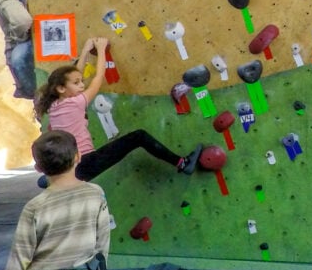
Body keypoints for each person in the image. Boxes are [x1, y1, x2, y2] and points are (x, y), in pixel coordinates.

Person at [0, 130, 122, 270]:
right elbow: (102, 236)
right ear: (78, 156)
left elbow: (20, 255)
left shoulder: (34, 207)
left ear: (38, 168)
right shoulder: (94, 193)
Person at [35, 36, 201, 185]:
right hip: (85, 164)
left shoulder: (54, 104)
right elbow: (98, 77)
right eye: (77, 83)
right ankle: (182, 163)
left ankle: (52, 178)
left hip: (72, 167)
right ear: (61, 88)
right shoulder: (77, 102)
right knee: (139, 137)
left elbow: (73, 76)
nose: (82, 85)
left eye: (81, 82)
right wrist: (101, 50)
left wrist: (86, 50)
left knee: (136, 138)